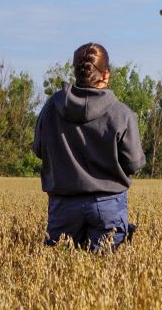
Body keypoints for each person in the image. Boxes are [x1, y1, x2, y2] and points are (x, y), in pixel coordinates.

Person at [33, 43, 146, 251]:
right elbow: (133, 163)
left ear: (76, 71)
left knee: (57, 274)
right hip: (107, 204)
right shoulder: (121, 113)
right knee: (104, 275)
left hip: (63, 204)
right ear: (106, 75)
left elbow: (39, 149)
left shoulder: (51, 107)